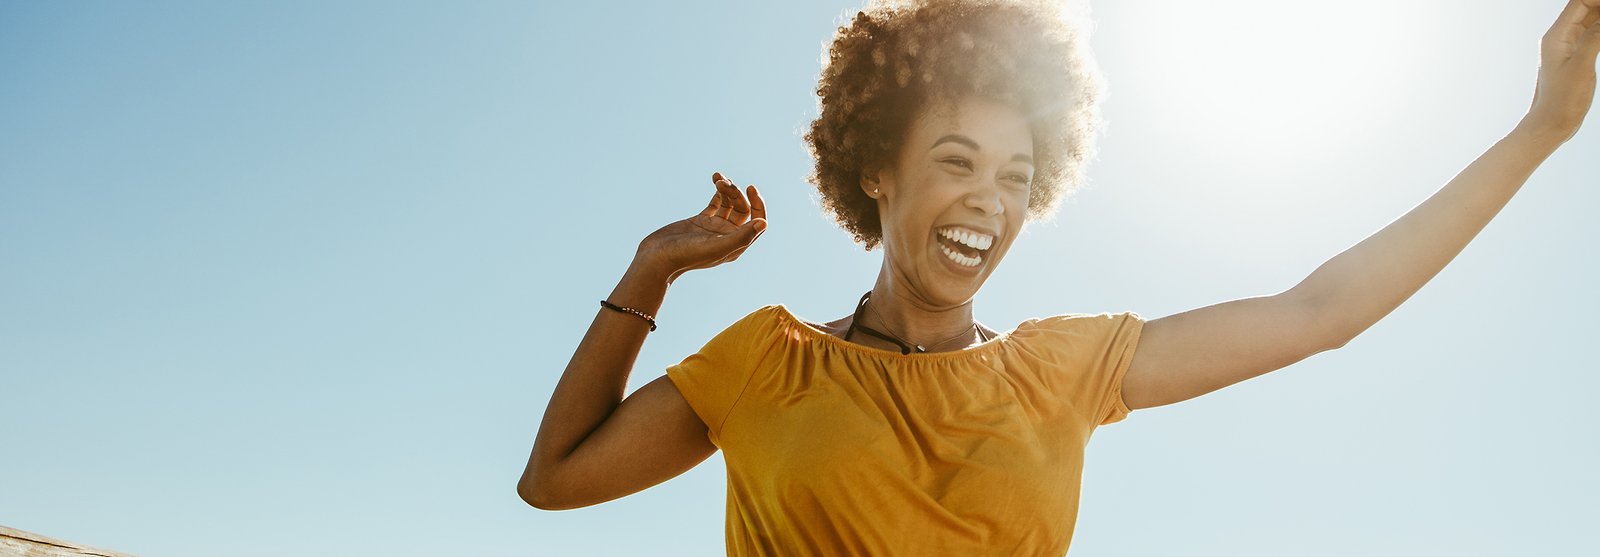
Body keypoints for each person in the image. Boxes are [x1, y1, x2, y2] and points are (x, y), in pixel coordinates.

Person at [518, 0, 1600, 553]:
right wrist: (650, 269)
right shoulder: (764, 360)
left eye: (1016, 177)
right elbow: (554, 478)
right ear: (875, 171)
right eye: (956, 163)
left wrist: (1539, 131)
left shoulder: (1065, 369)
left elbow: (1321, 310)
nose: (989, 198)